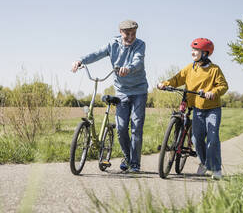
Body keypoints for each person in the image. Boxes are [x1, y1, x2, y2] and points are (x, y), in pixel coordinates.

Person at [71, 20, 148, 173]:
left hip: (139, 91)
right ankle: (127, 157)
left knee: (136, 127)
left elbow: (138, 60)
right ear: (120, 32)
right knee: (120, 128)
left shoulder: (140, 44)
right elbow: (97, 54)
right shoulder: (112, 44)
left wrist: (129, 68)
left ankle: (135, 163)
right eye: (127, 34)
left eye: (133, 34)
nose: (131, 37)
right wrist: (81, 60)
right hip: (121, 91)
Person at [157, 38, 228, 179]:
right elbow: (177, 79)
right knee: (196, 139)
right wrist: (164, 83)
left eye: (196, 50)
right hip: (197, 108)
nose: (193, 53)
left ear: (206, 53)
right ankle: (203, 163)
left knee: (212, 138)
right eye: (193, 50)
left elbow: (223, 85)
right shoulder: (190, 68)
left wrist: (213, 92)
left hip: (212, 108)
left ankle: (215, 169)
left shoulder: (214, 70)